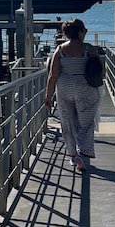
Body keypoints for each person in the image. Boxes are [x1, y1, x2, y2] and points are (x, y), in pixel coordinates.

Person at [44, 18, 100, 172]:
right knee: (86, 123)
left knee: (67, 122)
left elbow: (52, 75)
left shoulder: (60, 49)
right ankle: (83, 153)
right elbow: (100, 71)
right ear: (81, 32)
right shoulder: (89, 49)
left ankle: (73, 154)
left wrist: (48, 97)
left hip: (64, 87)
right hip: (85, 87)